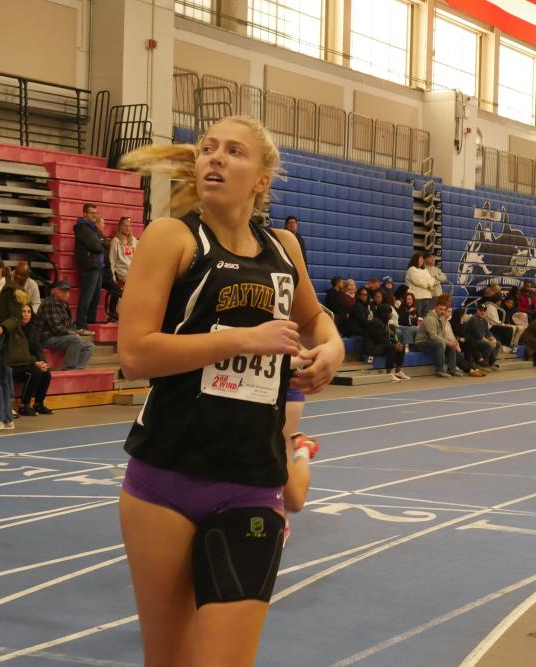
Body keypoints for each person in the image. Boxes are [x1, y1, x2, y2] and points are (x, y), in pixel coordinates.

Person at [116, 116, 344, 666]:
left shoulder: (284, 248)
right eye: (207, 148)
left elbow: (316, 319)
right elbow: (135, 354)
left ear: (262, 178)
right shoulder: (172, 237)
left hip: (251, 482)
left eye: (234, 151)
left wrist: (332, 348)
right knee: (167, 660)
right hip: (165, 478)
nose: (214, 157)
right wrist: (242, 339)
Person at [0, 256, 31, 433]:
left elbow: (17, 317)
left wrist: (1, 328)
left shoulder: (12, 290)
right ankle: (8, 419)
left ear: (0, 270)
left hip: (5, 340)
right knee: (1, 379)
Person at [37, 280, 96, 370]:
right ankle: (69, 369)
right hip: (47, 339)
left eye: (67, 291)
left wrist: (76, 331)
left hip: (60, 338)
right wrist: (73, 333)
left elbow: (69, 325)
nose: (66, 293)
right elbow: (56, 329)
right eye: (62, 290)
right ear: (54, 290)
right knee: (74, 340)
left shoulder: (64, 304)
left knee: (89, 346)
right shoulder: (49, 303)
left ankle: (77, 370)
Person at [13, 303, 53, 416]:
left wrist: (43, 362)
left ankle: (38, 404)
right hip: (16, 364)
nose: (26, 314)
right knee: (35, 372)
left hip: (30, 363)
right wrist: (35, 363)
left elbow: (38, 348)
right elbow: (18, 351)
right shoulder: (14, 329)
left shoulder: (32, 329)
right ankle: (23, 405)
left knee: (46, 373)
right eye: (23, 311)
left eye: (29, 312)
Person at [74, 202, 105, 330]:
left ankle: (90, 325)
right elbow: (96, 247)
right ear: (85, 214)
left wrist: (101, 244)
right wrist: (101, 244)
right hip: (89, 267)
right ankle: (81, 326)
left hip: (97, 266)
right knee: (86, 298)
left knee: (95, 299)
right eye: (92, 213)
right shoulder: (82, 227)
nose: (94, 215)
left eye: (95, 213)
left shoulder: (93, 228)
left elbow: (105, 242)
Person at [415, 296, 460, 378]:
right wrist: (448, 342)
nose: (442, 312)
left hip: (433, 342)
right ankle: (440, 370)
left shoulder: (442, 319)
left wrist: (452, 342)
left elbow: (441, 335)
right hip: (421, 343)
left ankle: (452, 369)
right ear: (435, 307)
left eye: (444, 310)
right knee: (440, 344)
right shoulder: (429, 318)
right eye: (440, 309)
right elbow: (433, 336)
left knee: (451, 345)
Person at [463, 303, 501, 370]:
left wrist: (493, 338)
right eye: (481, 311)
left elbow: (487, 332)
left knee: (497, 344)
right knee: (488, 345)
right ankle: (483, 364)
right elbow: (477, 335)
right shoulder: (473, 319)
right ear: (477, 310)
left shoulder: (484, 320)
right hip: (473, 341)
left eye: (484, 311)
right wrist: (489, 342)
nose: (482, 312)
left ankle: (491, 363)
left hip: (480, 340)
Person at [405, 253, 434, 318]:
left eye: (422, 260)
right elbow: (417, 281)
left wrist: (429, 284)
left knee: (425, 317)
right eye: (420, 259)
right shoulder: (412, 269)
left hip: (427, 296)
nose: (422, 261)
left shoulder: (425, 270)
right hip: (417, 297)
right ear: (415, 260)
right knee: (417, 317)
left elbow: (432, 279)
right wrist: (428, 285)